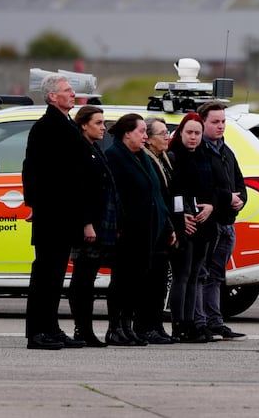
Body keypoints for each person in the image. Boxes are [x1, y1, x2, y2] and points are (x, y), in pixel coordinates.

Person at [22, 74, 88, 350]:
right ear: (52, 96)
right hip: (52, 215)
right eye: (67, 90)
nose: (73, 94)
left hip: (64, 215)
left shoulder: (65, 124)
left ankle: (52, 328)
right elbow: (33, 171)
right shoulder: (46, 127)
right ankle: (37, 333)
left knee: (56, 276)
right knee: (45, 276)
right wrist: (37, 206)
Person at [104, 113, 176, 346]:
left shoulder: (141, 157)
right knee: (122, 282)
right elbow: (115, 196)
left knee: (135, 283)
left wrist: (166, 224)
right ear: (127, 133)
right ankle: (116, 328)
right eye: (141, 131)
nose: (145, 136)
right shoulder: (115, 156)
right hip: (127, 232)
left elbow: (155, 194)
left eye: (147, 131)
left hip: (148, 231)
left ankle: (128, 326)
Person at [67, 105, 121, 348]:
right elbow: (80, 191)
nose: (103, 127)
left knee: (87, 279)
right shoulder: (79, 149)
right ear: (83, 125)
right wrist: (87, 224)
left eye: (103, 123)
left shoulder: (94, 149)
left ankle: (85, 329)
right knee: (82, 281)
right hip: (88, 225)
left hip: (100, 223)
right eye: (98, 123)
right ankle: (83, 329)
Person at [194, 101, 248, 342]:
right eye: (215, 122)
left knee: (217, 276)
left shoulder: (226, 151)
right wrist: (228, 198)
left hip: (227, 222)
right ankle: (200, 321)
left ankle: (216, 321)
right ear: (202, 122)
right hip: (209, 224)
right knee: (202, 274)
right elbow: (205, 188)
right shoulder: (200, 151)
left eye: (223, 121)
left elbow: (239, 183)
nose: (221, 126)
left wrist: (240, 201)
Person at [167, 112, 217, 343]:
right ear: (181, 132)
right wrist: (180, 217)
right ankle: (179, 325)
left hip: (203, 223)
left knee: (195, 274)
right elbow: (173, 191)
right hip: (184, 223)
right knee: (182, 275)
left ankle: (191, 324)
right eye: (189, 133)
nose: (193, 137)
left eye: (197, 133)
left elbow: (214, 186)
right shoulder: (173, 156)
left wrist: (211, 206)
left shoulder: (204, 155)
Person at [136, 116, 178, 344]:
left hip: (165, 226)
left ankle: (156, 324)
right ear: (149, 139)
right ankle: (145, 326)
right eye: (162, 133)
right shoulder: (148, 160)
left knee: (161, 280)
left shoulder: (164, 159)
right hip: (154, 227)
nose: (167, 137)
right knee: (150, 281)